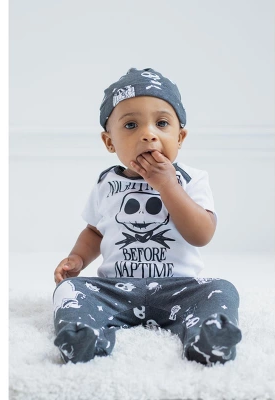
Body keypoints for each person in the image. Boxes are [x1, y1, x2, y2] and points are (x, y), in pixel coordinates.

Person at [53, 67, 242, 366]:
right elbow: (95, 231)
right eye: (131, 125)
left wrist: (168, 185)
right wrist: (77, 258)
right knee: (69, 291)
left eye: (162, 123)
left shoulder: (191, 179)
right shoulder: (106, 183)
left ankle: (208, 337)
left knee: (222, 290)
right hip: (115, 290)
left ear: (179, 137)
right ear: (109, 142)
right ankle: (85, 336)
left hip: (179, 289)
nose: (148, 134)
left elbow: (202, 234)